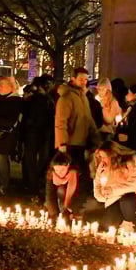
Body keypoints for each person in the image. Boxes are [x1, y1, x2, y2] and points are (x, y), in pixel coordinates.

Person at [55, 66, 100, 204]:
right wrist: (62, 144)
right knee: (70, 175)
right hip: (70, 144)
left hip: (81, 142)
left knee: (81, 175)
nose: (84, 82)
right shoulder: (67, 97)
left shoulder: (83, 97)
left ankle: (75, 203)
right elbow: (60, 121)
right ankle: (67, 203)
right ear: (73, 79)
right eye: (81, 79)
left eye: (86, 79)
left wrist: (96, 138)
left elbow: (88, 119)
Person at [92, 141, 136, 228]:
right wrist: (102, 196)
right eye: (100, 157)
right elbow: (97, 184)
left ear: (112, 155)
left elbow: (135, 184)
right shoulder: (103, 166)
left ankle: (128, 222)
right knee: (107, 225)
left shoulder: (133, 161)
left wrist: (113, 190)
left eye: (104, 157)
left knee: (127, 201)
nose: (102, 160)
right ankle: (118, 217)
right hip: (114, 198)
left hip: (133, 195)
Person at [21, 75, 56, 199]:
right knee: (32, 159)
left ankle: (34, 184)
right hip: (35, 132)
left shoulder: (46, 99)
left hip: (41, 132)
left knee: (38, 159)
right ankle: (33, 185)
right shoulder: (39, 99)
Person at [45, 151, 78, 221]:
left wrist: (71, 210)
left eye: (62, 169)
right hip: (59, 201)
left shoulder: (74, 174)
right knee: (60, 190)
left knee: (61, 190)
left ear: (68, 166)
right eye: (57, 169)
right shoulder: (51, 175)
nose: (59, 172)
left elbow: (80, 194)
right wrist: (54, 215)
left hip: (73, 202)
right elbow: (50, 196)